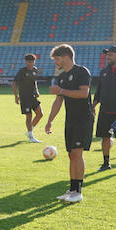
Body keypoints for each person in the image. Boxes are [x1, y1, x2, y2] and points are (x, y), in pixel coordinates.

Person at [43, 44, 92, 203]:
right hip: (70, 119)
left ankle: (78, 191)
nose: (55, 62)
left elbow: (84, 93)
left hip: (83, 118)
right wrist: (50, 120)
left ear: (65, 56)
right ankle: (72, 188)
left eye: (56, 59)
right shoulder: (62, 77)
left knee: (77, 153)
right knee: (71, 155)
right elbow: (58, 101)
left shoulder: (82, 72)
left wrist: (62, 91)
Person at [13, 53, 44, 142]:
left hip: (33, 96)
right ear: (26, 62)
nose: (30, 63)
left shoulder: (35, 70)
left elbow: (34, 81)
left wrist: (37, 90)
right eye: (28, 62)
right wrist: (16, 96)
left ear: (34, 62)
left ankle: (29, 131)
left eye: (31, 62)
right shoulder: (22, 71)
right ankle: (31, 137)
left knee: (40, 114)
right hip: (24, 97)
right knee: (29, 116)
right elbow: (14, 83)